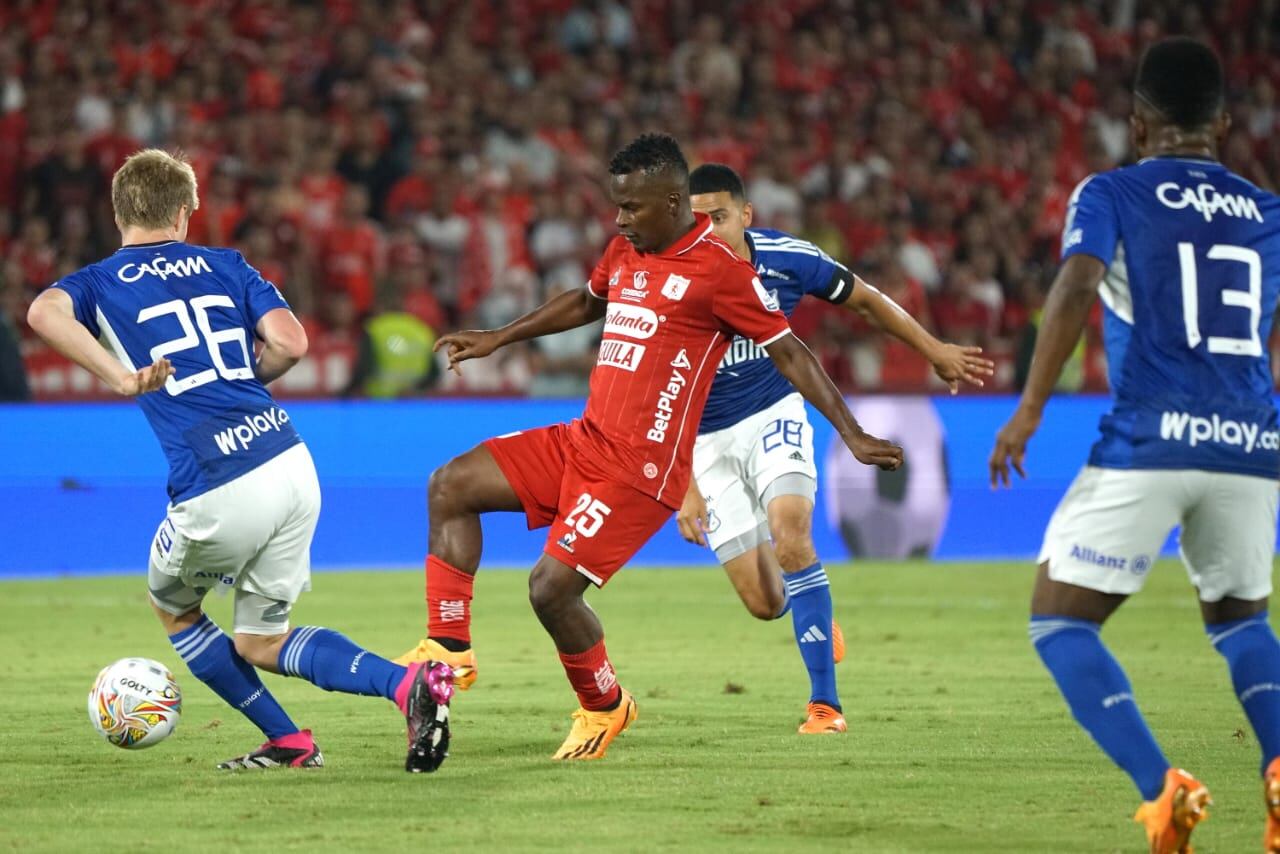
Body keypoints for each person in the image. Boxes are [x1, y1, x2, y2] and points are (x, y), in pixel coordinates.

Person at [395, 133, 904, 760]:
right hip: (584, 440)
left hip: (639, 472)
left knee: (550, 589)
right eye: (617, 207)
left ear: (673, 200)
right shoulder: (624, 251)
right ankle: (450, 651)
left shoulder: (721, 273)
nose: (620, 220)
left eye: (632, 207)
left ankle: (604, 707)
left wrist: (850, 434)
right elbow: (587, 300)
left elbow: (790, 352)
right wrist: (501, 336)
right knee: (449, 485)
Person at [25, 149, 454, 773]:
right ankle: (404, 684)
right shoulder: (227, 264)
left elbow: (42, 312)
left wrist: (121, 377)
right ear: (182, 211)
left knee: (173, 607)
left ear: (120, 214)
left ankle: (290, 740)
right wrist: (236, 384)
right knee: (261, 639)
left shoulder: (97, 280)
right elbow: (291, 343)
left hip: (216, 481)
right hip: (289, 461)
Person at [989, 39, 1280, 852]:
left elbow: (1078, 282)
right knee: (1240, 622)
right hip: (1251, 442)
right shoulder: (1270, 213)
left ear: (1139, 124)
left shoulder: (1112, 191)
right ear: (1223, 123)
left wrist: (1029, 409)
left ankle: (1163, 790)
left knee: (1061, 626)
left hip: (1152, 435)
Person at [676, 163, 993, 733]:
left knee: (791, 533)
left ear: (745, 216)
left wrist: (933, 349)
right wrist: (687, 486)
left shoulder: (788, 258)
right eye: (695, 220)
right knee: (764, 602)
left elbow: (867, 301)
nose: (707, 230)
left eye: (718, 217)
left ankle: (825, 706)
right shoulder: (671, 282)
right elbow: (656, 394)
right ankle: (809, 607)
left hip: (774, 413)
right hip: (703, 443)